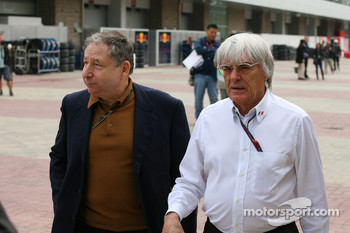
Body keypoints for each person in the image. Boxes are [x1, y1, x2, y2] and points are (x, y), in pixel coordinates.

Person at [162, 33, 329, 233]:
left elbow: (313, 196)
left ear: (266, 71)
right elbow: (190, 181)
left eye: (244, 68)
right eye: (226, 68)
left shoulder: (295, 122)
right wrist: (173, 214)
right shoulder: (209, 119)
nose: (233, 77)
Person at [49, 30, 197, 233]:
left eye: (97, 64)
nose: (86, 72)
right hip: (84, 227)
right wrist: (62, 202)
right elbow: (59, 158)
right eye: (85, 63)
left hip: (144, 227)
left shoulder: (166, 108)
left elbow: (185, 176)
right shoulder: (73, 105)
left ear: (124, 68)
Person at [193, 24, 221, 118]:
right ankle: (198, 119)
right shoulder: (200, 41)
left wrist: (205, 50)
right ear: (207, 31)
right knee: (198, 100)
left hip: (213, 75)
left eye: (215, 33)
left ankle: (214, 119)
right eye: (212, 32)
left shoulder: (218, 44)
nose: (213, 34)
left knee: (214, 99)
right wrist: (212, 50)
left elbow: (220, 52)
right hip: (200, 74)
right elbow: (198, 50)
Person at [0, 32, 14, 96]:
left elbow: (11, 48)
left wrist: (12, 48)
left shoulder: (6, 45)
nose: (1, 40)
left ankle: (10, 90)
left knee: (8, 78)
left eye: (1, 38)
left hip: (5, 65)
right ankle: (0, 90)